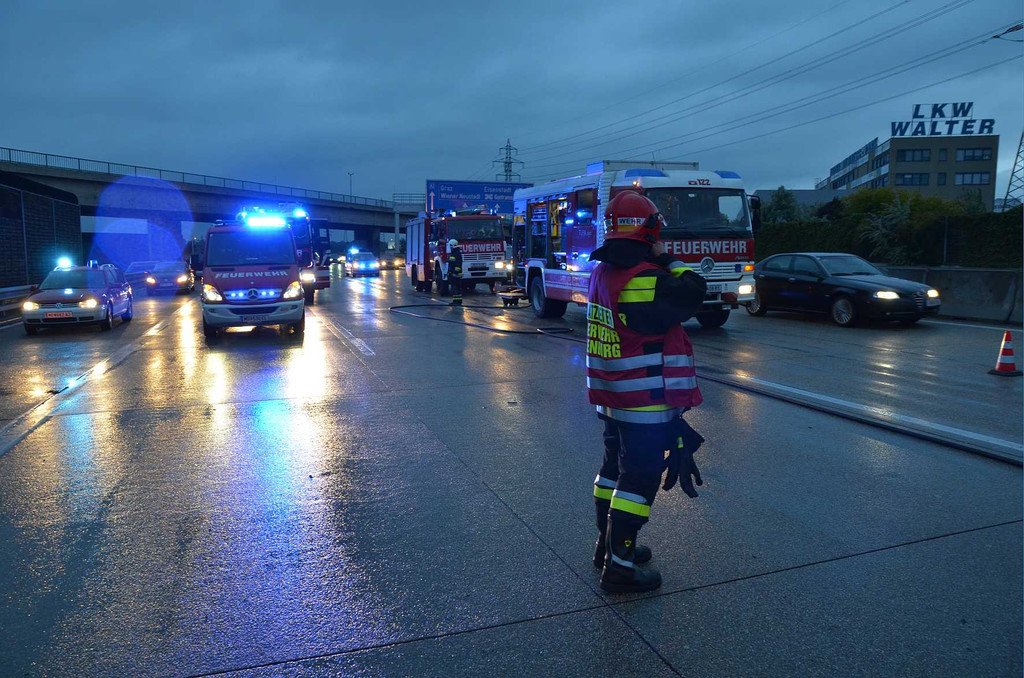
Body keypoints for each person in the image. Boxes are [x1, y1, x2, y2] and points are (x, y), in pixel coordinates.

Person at [587, 191, 707, 594]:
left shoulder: (601, 272)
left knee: (612, 470)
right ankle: (619, 567)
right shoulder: (647, 279)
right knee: (638, 479)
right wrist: (666, 258)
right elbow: (694, 290)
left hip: (611, 396)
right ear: (650, 231)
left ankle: (607, 547)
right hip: (644, 401)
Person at [447, 238, 464, 306]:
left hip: (456, 274)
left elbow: (458, 265)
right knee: (455, 288)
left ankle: (457, 302)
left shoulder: (456, 253)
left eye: (450, 246)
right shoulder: (454, 253)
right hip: (454, 273)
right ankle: (456, 301)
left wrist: (455, 272)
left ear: (453, 245)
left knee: (456, 288)